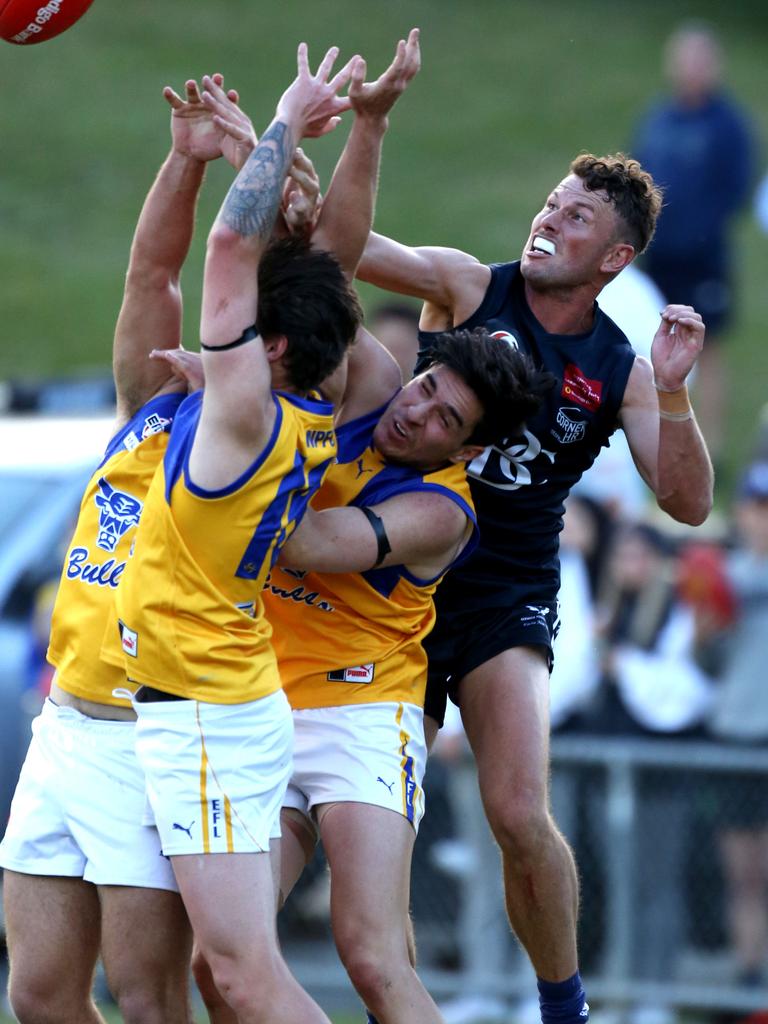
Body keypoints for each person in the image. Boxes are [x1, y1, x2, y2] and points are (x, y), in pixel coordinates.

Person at [356, 151, 714, 1024]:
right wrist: (336, 149)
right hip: (399, 579)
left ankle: (565, 1007)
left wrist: (673, 395)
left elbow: (690, 501)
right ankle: (392, 1000)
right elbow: (347, 246)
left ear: (615, 259)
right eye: (551, 203)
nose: (550, 219)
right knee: (381, 821)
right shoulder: (470, 286)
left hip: (502, 594)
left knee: (518, 811)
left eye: (578, 216)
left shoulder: (621, 369)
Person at [113, 46, 365, 1024]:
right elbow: (292, 270)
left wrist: (289, 122)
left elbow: (221, 253)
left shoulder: (244, 414)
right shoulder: (307, 403)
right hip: (214, 697)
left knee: (243, 974)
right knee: (222, 974)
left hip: (207, 710)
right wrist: (265, 168)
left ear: (267, 348)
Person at [0, 73, 257, 1024]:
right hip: (65, 719)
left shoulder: (248, 449)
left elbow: (287, 289)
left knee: (147, 998)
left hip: (151, 738)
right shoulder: (148, 418)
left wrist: (265, 171)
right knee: (37, 995)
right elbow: (150, 278)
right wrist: (186, 159)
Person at [631, 21, 755, 465]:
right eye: (684, 59)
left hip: (705, 255)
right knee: (653, 339)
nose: (691, 68)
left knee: (710, 347)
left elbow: (738, 185)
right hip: (659, 253)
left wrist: (703, 224)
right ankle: (655, 441)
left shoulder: (727, 124)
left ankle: (711, 448)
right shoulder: (660, 118)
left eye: (699, 59)